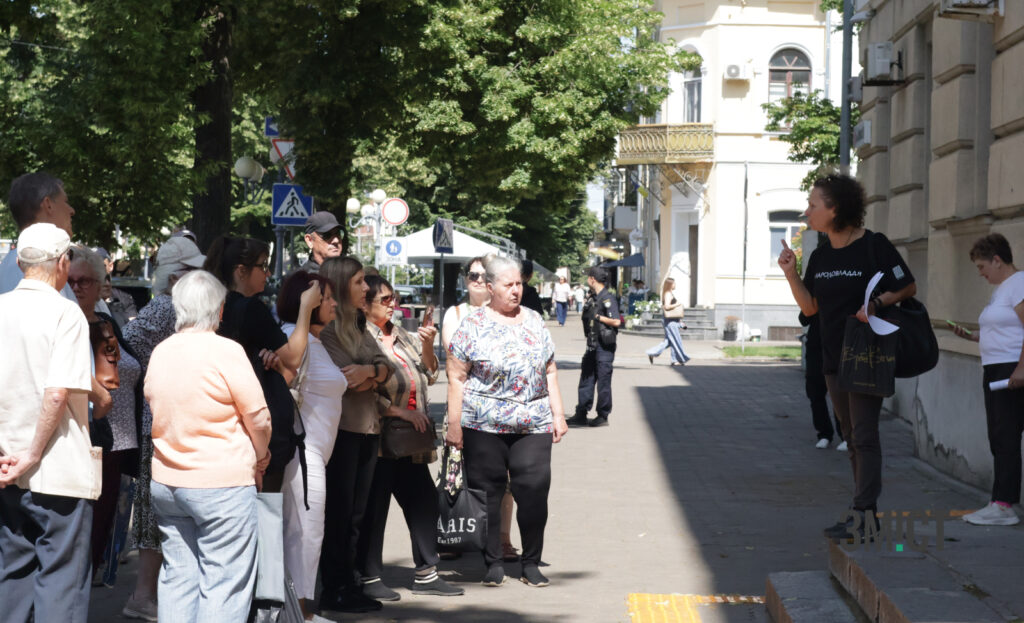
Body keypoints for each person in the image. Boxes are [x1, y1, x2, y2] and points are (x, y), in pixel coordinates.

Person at [778, 173, 916, 540]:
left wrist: (875, 303)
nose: (807, 211)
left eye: (812, 204)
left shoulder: (874, 246)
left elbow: (907, 285)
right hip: (831, 355)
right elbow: (810, 309)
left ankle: (864, 514)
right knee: (851, 435)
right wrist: (791, 274)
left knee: (865, 434)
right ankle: (862, 512)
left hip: (867, 352)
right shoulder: (821, 255)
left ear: (834, 209)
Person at [145, 270, 271, 623]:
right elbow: (258, 418)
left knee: (177, 578)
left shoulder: (162, 352)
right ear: (219, 311)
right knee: (224, 583)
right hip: (222, 483)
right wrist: (261, 457)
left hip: (168, 482)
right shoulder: (226, 351)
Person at [446, 256, 569, 588]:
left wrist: (558, 413)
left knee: (533, 490)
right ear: (490, 288)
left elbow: (550, 370)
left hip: (533, 422)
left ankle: (531, 563)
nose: (517, 290)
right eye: (509, 285)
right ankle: (493, 562)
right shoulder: (471, 325)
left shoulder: (533, 320)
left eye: (519, 284)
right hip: (483, 425)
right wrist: (454, 424)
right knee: (488, 494)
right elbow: (456, 377)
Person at [0, 224, 97, 623]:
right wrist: (33, 453)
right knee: (62, 581)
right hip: (55, 467)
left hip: (6, 464)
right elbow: (57, 393)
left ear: (20, 262)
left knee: (13, 574)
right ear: (62, 263)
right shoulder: (65, 312)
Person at [359, 275, 464, 600]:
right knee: (374, 509)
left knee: (423, 502)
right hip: (377, 437)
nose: (394, 305)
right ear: (365, 304)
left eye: (395, 298)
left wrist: (429, 345)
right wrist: (400, 412)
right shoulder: (360, 337)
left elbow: (430, 374)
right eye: (386, 300)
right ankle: (369, 576)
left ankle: (426, 572)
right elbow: (361, 391)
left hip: (411, 440)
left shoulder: (399, 332)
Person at [119, 234, 205, 621]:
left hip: (162, 418)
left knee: (159, 508)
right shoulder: (167, 310)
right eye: (195, 272)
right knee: (159, 509)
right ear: (176, 277)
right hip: (164, 421)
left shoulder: (165, 309)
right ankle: (144, 595)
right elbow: (130, 345)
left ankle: (147, 595)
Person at [203, 235, 321, 490]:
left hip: (223, 422)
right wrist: (306, 308)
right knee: (265, 517)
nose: (267, 273)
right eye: (262, 266)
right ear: (241, 271)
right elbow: (293, 356)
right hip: (256, 426)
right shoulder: (250, 308)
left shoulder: (213, 306)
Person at [317, 256, 395, 615]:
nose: (367, 288)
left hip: (368, 430)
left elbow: (391, 372)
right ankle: (334, 589)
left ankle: (349, 584)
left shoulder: (360, 326)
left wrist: (370, 371)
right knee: (340, 515)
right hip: (343, 433)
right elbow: (343, 380)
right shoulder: (330, 329)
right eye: (360, 282)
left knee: (357, 515)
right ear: (341, 284)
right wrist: (372, 374)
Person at [67, 246, 143, 584]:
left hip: (118, 442)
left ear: (100, 285)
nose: (77, 286)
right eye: (71, 280)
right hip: (84, 441)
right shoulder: (67, 325)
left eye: (84, 280)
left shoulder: (107, 322)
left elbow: (128, 367)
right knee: (84, 533)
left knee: (103, 534)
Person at [440, 256, 521, 563]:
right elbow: (456, 358)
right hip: (464, 406)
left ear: (491, 282)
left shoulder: (513, 315)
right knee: (455, 473)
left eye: (481, 275)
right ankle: (456, 533)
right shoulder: (456, 313)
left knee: (505, 479)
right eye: (471, 274)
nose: (475, 279)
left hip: (503, 412)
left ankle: (502, 538)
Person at [277, 271, 347, 620]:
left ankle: (299, 610)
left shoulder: (315, 342)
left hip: (314, 454)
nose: (334, 303)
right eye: (327, 297)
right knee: (304, 532)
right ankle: (300, 613)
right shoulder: (294, 337)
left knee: (304, 531)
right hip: (302, 455)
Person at [952, 234, 1024, 526]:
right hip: (995, 368)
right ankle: (999, 501)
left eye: (982, 266)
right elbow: (1006, 328)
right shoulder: (1002, 289)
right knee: (998, 436)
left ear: (998, 259)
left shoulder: (1017, 283)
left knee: (1005, 436)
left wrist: (1021, 369)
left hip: (1009, 369)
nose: (980, 273)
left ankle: (1004, 506)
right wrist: (972, 336)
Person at [0, 172, 77, 300]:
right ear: (48, 205)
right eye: (65, 201)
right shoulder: (34, 268)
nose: (71, 210)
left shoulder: (15, 265)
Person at [567, 266, 621, 428]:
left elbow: (617, 321)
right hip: (592, 344)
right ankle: (581, 412)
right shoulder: (594, 297)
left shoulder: (607, 298)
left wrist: (598, 317)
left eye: (588, 278)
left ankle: (603, 415)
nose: (587, 280)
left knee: (603, 381)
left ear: (592, 279)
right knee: (586, 379)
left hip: (604, 346)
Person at [800, 311, 846, 451]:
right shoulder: (816, 294)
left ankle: (845, 435)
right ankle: (824, 433)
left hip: (838, 344)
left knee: (838, 391)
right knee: (814, 391)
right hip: (816, 345)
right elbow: (803, 318)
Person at [645, 277, 690, 366]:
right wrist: (678, 304)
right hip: (670, 321)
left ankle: (653, 353)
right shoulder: (668, 294)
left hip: (672, 320)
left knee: (669, 341)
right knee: (675, 340)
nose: (675, 285)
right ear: (670, 284)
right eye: (674, 283)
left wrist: (680, 321)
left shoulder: (668, 293)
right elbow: (667, 307)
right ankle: (676, 359)